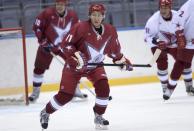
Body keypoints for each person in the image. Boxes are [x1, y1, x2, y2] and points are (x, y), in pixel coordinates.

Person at [39, 3, 133, 130]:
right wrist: (73, 57)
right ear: (89, 15)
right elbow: (66, 44)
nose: (96, 18)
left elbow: (114, 50)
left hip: (95, 66)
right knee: (65, 96)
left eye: (99, 15)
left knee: (103, 88)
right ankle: (45, 112)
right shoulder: (80, 27)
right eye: (94, 15)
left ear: (103, 16)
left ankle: (99, 115)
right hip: (76, 66)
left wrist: (121, 60)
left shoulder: (110, 30)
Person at [29, 0, 87, 103]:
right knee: (39, 68)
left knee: (74, 65)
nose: (59, 6)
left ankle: (75, 90)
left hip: (65, 47)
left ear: (65, 5)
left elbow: (77, 31)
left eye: (62, 4)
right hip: (48, 46)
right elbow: (36, 28)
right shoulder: (46, 14)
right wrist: (43, 42)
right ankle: (35, 93)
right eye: (58, 4)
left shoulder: (72, 15)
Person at [144, 0, 193, 97]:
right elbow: (146, 37)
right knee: (162, 64)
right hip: (159, 45)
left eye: (166, 8)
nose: (163, 10)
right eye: (162, 8)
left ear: (170, 7)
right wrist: (157, 41)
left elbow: (185, 29)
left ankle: (189, 86)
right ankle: (164, 87)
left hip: (174, 45)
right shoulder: (153, 20)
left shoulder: (178, 16)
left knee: (184, 62)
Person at [163, 0, 194, 100]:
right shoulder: (190, 4)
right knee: (181, 63)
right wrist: (180, 35)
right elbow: (176, 21)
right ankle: (170, 88)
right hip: (188, 41)